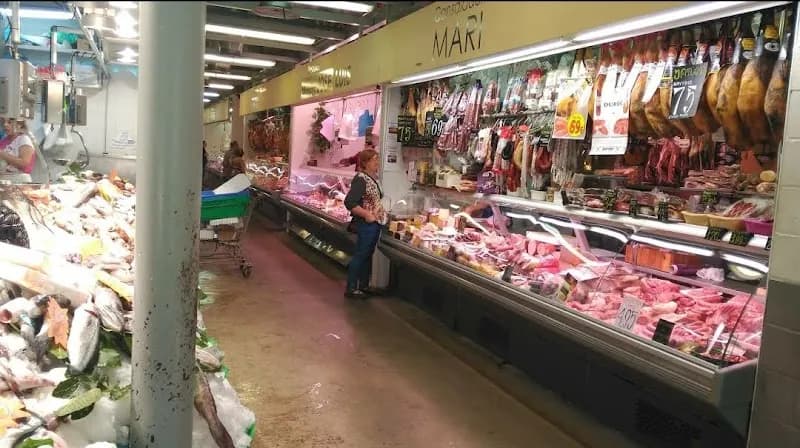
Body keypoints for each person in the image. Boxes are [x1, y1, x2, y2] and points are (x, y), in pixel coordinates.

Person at [343, 149, 386, 299]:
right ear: (365, 163)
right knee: (361, 254)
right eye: (374, 159)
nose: (377, 162)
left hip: (375, 223)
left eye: (377, 159)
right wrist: (367, 214)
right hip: (366, 224)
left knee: (367, 254)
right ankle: (351, 288)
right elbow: (349, 202)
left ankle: (363, 285)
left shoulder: (373, 178)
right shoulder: (361, 179)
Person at [0, 119, 35, 183]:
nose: (5, 125)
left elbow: (24, 163)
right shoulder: (3, 141)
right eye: (3, 122)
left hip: (19, 181)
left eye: (9, 122)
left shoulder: (24, 139)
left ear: (20, 124)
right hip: (4, 180)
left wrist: (2, 154)